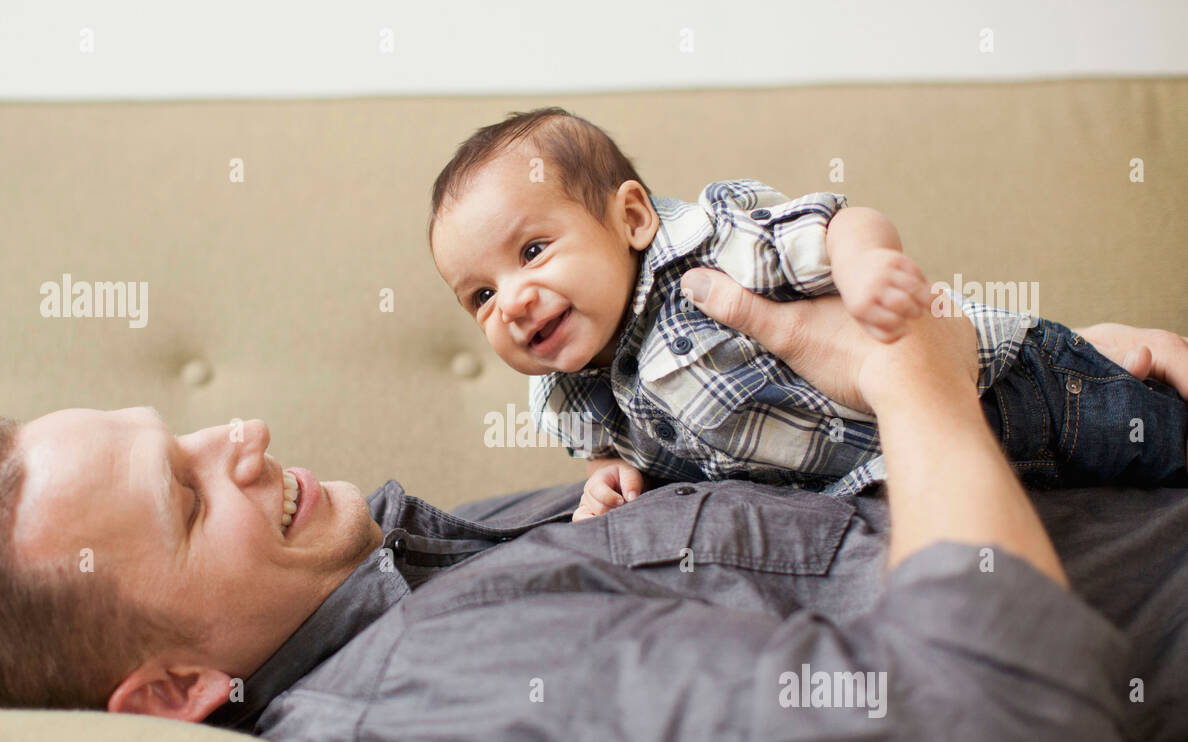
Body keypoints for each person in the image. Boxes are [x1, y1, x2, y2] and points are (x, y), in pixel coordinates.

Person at [0, 291, 1188, 742]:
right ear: (177, 687)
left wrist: (1050, 384)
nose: (234, 436)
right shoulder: (434, 683)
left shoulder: (413, 572)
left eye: (175, 431)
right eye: (185, 496)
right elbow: (987, 738)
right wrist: (924, 383)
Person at [427, 107, 1188, 519]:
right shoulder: (565, 395)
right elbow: (613, 455)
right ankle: (1108, 345)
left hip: (1012, 396)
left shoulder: (711, 253)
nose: (512, 303)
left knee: (1155, 439)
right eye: (481, 296)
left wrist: (863, 272)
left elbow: (841, 223)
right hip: (909, 476)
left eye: (531, 252)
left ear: (630, 219)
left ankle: (1133, 350)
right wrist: (607, 478)